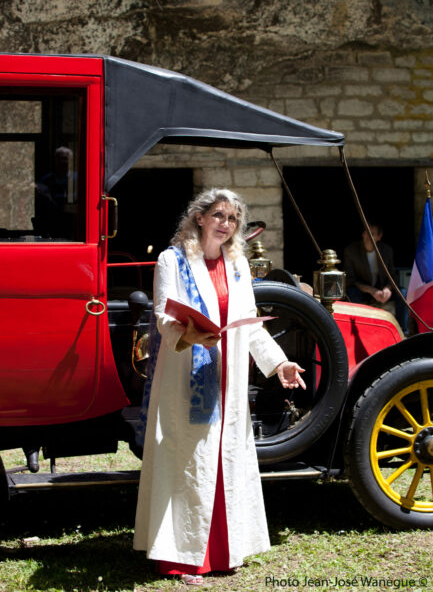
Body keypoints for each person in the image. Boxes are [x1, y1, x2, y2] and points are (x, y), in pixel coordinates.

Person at [133, 188, 306, 585]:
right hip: (186, 376)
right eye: (218, 215)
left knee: (226, 457)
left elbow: (248, 321)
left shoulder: (238, 264)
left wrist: (279, 362)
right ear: (199, 217)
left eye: (232, 219)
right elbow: (163, 316)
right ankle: (182, 557)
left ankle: (225, 549)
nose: (225, 224)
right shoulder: (171, 260)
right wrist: (192, 332)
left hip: (227, 380)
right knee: (189, 461)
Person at [343, 221, 404, 322]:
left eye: (372, 234)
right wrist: (371, 290)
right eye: (367, 232)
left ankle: (403, 330)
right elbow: (350, 279)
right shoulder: (351, 251)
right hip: (363, 290)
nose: (368, 237)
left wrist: (387, 289)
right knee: (351, 293)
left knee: (403, 293)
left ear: (379, 237)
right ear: (362, 234)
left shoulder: (386, 251)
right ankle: (355, 325)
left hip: (381, 290)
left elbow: (392, 276)